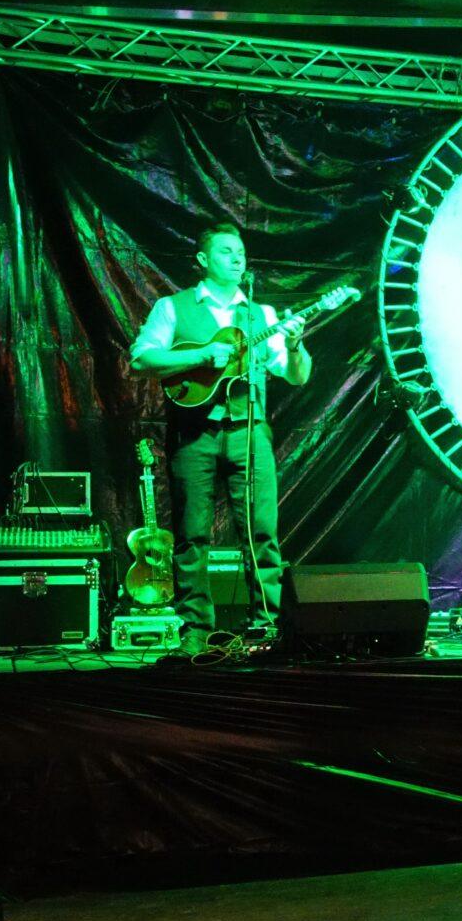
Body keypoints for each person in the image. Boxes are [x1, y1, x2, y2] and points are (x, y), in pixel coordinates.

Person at [129, 223, 312, 653]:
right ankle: (196, 630)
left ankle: (267, 625)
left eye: (241, 251)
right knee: (192, 534)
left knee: (261, 531)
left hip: (250, 432)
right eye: (227, 251)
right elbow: (141, 359)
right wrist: (201, 354)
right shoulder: (173, 307)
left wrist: (296, 345)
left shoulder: (262, 315)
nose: (237, 257)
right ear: (203, 259)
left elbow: (296, 375)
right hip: (194, 433)